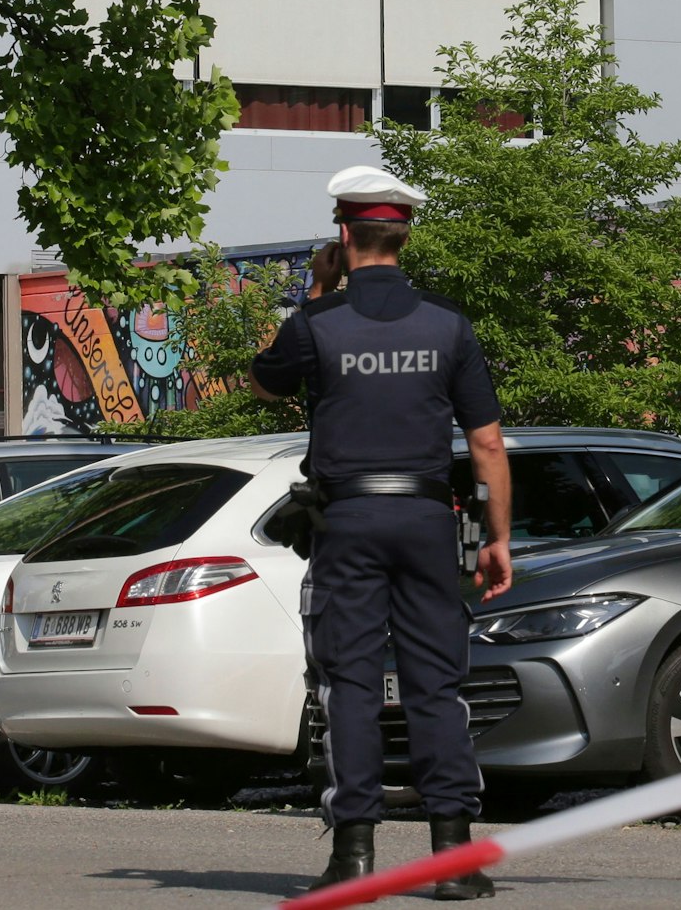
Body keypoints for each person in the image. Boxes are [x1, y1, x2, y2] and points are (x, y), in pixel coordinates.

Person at [251, 164, 512, 901]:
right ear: (405, 233)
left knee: (353, 685)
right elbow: (487, 444)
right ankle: (455, 861)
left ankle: (354, 857)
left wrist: (315, 292)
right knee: (438, 685)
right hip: (431, 521)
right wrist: (497, 535)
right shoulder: (447, 325)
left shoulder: (317, 324)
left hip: (350, 521)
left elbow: (264, 381)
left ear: (343, 234)